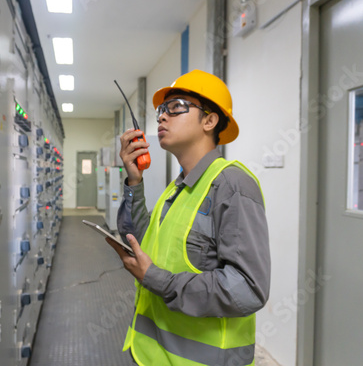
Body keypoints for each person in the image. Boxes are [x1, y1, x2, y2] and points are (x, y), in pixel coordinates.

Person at [106, 69, 270, 366]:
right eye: (160, 110)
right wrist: (134, 181)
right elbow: (142, 239)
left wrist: (158, 280)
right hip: (151, 355)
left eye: (176, 106)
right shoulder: (178, 186)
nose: (161, 117)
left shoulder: (232, 185)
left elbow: (248, 290)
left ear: (210, 120)